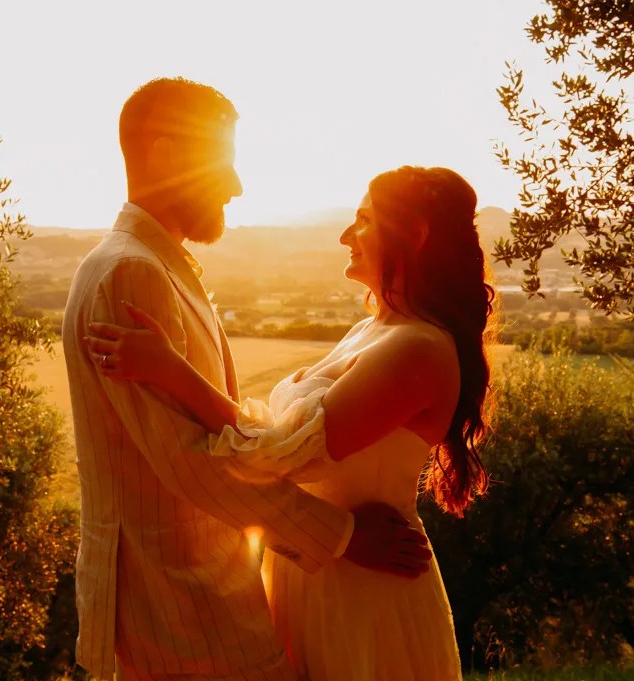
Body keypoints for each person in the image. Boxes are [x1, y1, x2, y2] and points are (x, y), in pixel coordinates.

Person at [61, 77, 431, 681]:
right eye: (221, 162)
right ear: (163, 154)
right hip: (182, 610)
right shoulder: (131, 274)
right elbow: (193, 461)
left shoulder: (150, 264)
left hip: (196, 603)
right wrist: (340, 536)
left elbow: (213, 426)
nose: (236, 184)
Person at [85, 164, 495, 680]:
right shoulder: (373, 330)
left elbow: (280, 455)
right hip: (320, 574)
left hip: (365, 592)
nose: (347, 235)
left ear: (415, 235)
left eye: (364, 221)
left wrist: (172, 372)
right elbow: (277, 439)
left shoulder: (418, 349)